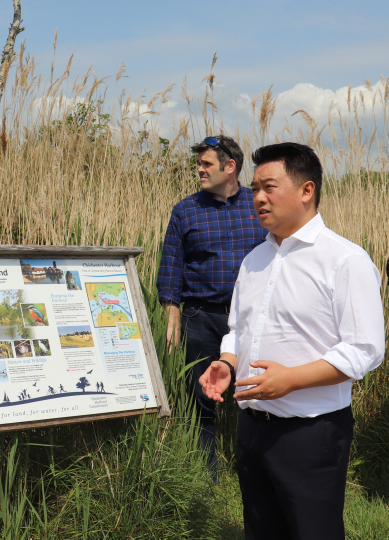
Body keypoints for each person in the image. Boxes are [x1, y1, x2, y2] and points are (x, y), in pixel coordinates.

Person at [199, 142, 384, 539]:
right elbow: (237, 328)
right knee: (261, 530)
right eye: (254, 189)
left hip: (310, 433)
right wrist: (228, 363)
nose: (258, 198)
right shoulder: (254, 260)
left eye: (269, 186)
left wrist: (291, 380)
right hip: (251, 427)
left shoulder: (345, 261)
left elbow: (365, 349)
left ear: (307, 190)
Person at [157, 135, 266, 471]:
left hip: (252, 320)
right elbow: (171, 270)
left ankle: (258, 469)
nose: (199, 170)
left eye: (206, 164)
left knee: (256, 394)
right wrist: (172, 320)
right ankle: (206, 474)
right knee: (202, 396)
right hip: (202, 318)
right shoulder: (186, 210)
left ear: (229, 167)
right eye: (199, 164)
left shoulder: (259, 206)